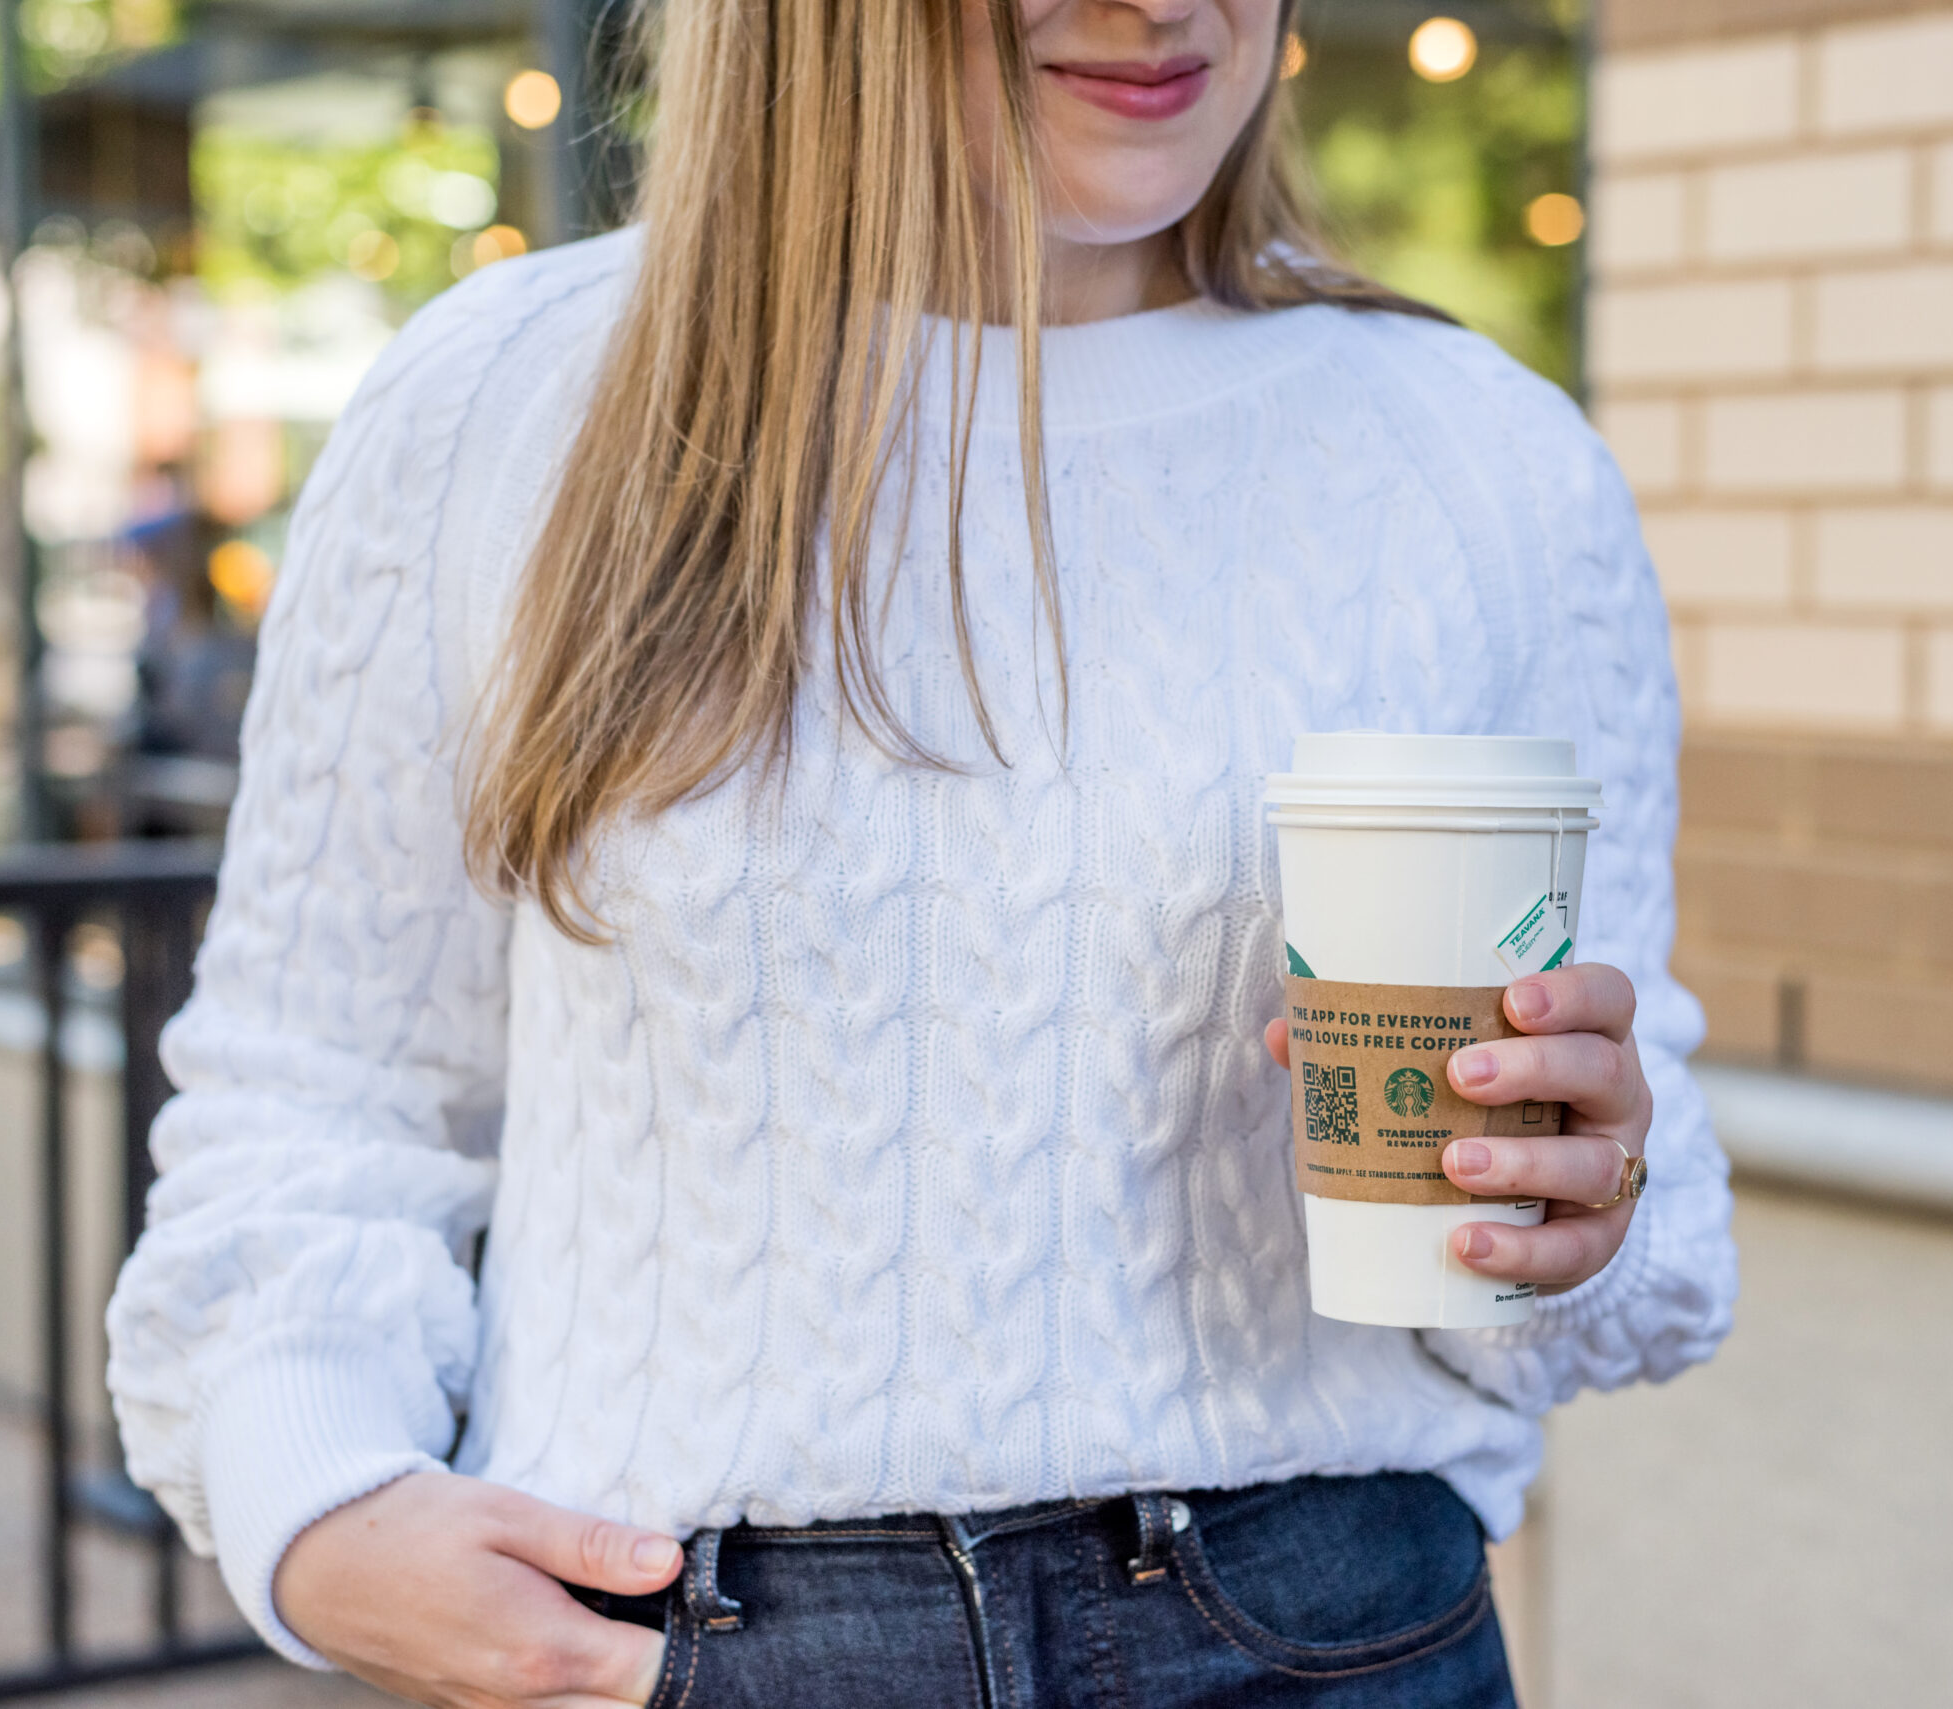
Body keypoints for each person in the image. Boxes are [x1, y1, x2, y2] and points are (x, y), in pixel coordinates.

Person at [104, 1, 1737, 1704]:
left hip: (1319, 1629)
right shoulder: (505, 404)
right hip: (686, 1639)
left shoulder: (1488, 463)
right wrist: (320, 1501)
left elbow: (1627, 1194)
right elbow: (322, 1087)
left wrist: (1576, 1203)